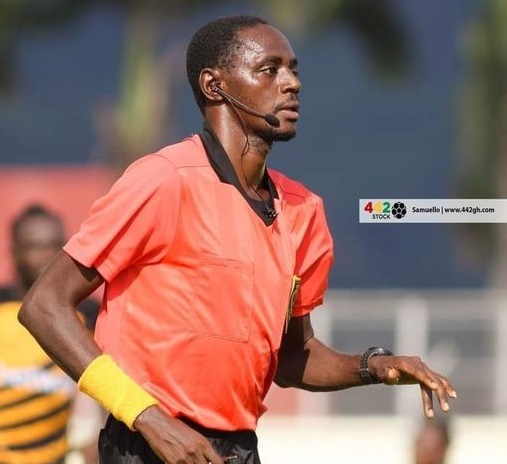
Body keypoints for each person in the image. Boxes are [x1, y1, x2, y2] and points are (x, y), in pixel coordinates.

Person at [18, 16, 457, 464]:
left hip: (239, 450)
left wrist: (375, 366)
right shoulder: (164, 180)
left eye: (293, 70)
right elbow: (44, 307)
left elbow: (294, 358)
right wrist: (150, 420)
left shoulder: (304, 211)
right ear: (214, 86)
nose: (292, 83)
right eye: (270, 69)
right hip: (146, 443)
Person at [0, 205, 102, 464]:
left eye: (55, 245)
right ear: (15, 253)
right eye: (35, 246)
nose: (46, 255)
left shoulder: (90, 315)